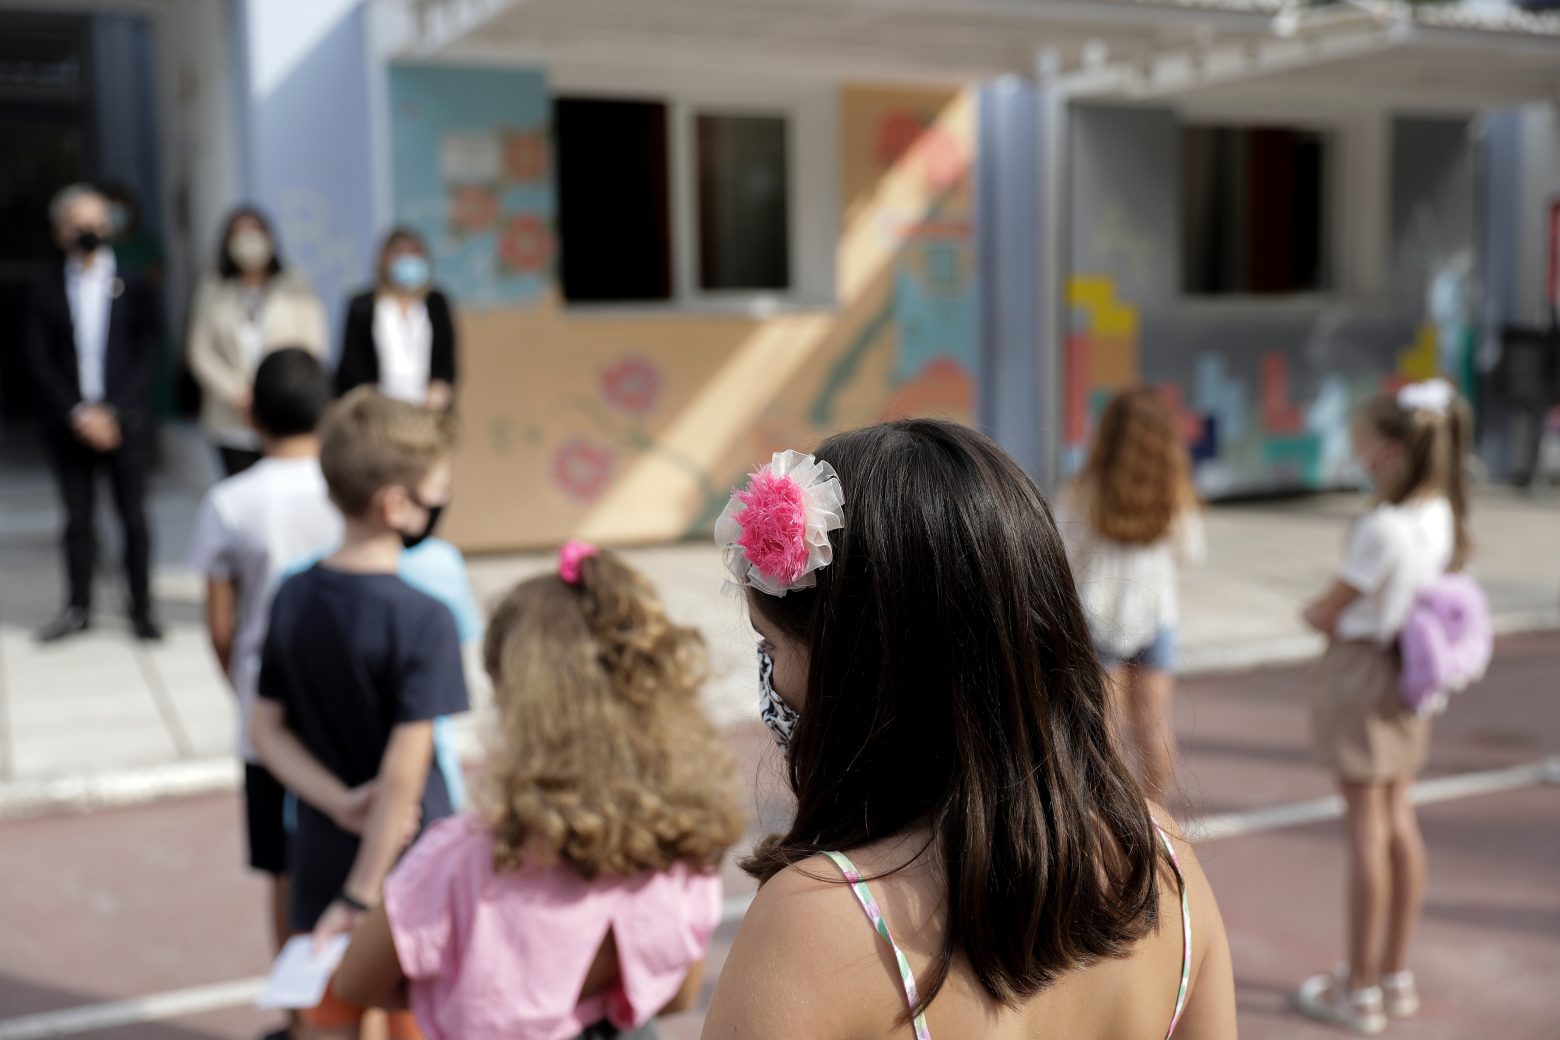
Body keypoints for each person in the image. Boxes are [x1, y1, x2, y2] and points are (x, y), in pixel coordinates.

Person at [701, 423, 1236, 1040]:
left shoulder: (811, 923)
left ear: (856, 672)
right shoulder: (1163, 863)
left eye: (770, 647)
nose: (770, 679)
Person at [333, 541, 745, 1039]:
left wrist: (452, 995)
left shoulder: (462, 859)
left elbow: (356, 980)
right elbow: (676, 995)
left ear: (517, 704)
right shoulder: (686, 844)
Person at [251, 388, 468, 1040]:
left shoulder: (293, 593)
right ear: (396, 505)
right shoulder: (426, 619)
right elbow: (405, 773)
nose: (440, 503)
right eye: (436, 493)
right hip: (409, 871)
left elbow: (266, 730)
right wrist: (361, 894)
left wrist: (339, 800)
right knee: (418, 1022)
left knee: (327, 1021)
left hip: (321, 846)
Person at [1295, 378, 1473, 1035]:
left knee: (1367, 829)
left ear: (1390, 451)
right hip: (1409, 672)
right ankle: (1393, 974)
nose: (1358, 454)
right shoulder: (1441, 513)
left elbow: (1328, 609)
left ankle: (1360, 989)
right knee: (1399, 817)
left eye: (1363, 443)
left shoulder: (1381, 527)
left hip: (1364, 671)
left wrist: (1311, 611)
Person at [185, 347, 343, 1039]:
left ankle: (300, 1014)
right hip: (347, 708)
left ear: (249, 413)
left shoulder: (229, 501)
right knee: (360, 860)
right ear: (329, 409)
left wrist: (247, 691)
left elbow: (221, 626)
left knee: (283, 869)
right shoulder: (347, 487)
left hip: (264, 717)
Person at [24, 184, 164, 643]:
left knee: (133, 516)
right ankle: (78, 607)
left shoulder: (134, 281)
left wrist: (115, 412)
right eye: (78, 225)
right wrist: (77, 412)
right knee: (77, 519)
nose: (88, 232)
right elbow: (37, 357)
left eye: (96, 224)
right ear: (59, 231)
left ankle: (142, 608)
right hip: (71, 425)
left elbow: (149, 351)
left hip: (126, 423)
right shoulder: (45, 286)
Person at [1056, 388, 1205, 805]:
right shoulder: (1172, 491)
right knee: (1154, 730)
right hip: (1156, 616)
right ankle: (1154, 815)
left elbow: (1063, 555)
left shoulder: (1084, 491)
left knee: (1103, 736)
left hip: (1096, 617)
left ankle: (1109, 820)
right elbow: (1192, 551)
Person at [187, 206, 328, 477]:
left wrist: (282, 389)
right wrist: (237, 394)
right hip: (231, 418)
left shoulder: (295, 283)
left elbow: (312, 345)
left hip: (285, 412)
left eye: (255, 232)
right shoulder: (213, 287)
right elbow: (200, 349)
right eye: (239, 234)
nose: (248, 241)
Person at [336, 228, 457, 410]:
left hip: (427, 411)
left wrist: (440, 388)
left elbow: (447, 362)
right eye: (401, 253)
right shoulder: (363, 306)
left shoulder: (436, 303)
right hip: (377, 411)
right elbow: (351, 367)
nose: (409, 260)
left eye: (415, 253)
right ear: (385, 258)